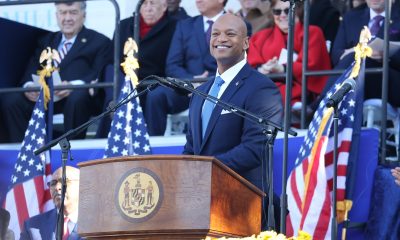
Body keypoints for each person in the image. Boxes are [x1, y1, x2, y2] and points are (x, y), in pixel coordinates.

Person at [183, 13, 283, 230]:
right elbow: (191, 147)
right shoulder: (200, 92)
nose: (221, 39)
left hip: (244, 205)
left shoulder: (261, 88)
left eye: (230, 34)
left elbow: (255, 148)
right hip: (202, 208)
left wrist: (207, 171)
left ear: (246, 42)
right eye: (215, 34)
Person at [0, 1, 111, 142]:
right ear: (57, 15)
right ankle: (26, 149)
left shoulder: (99, 41)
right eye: (63, 12)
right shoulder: (47, 40)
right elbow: (33, 67)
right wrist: (29, 86)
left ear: (84, 15)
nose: (67, 18)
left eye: (73, 12)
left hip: (75, 97)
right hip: (45, 95)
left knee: (78, 98)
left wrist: (73, 85)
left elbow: (99, 71)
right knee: (11, 99)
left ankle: (73, 149)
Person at [96, 0, 181, 137]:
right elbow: (111, 60)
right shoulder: (124, 25)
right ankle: (104, 146)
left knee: (145, 96)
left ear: (164, 6)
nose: (148, 8)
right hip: (123, 82)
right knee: (113, 85)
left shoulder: (175, 26)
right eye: (144, 4)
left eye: (152, 4)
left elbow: (172, 63)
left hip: (153, 83)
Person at [247, 0, 331, 106]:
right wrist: (262, 68)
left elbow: (311, 67)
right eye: (277, 11)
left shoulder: (313, 32)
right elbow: (250, 66)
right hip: (265, 89)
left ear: (298, 11)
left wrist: (282, 69)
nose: (282, 15)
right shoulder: (259, 37)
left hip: (300, 94)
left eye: (288, 10)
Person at [323, 0, 400, 107]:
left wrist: (386, 55)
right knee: (356, 57)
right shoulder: (351, 17)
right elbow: (336, 55)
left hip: (389, 79)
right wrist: (358, 50)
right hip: (356, 79)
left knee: (356, 57)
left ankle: (322, 102)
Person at [20, 166, 81, 240]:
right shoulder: (32, 226)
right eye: (53, 183)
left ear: (81, 185)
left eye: (64, 181)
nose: (57, 187)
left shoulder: (97, 223)